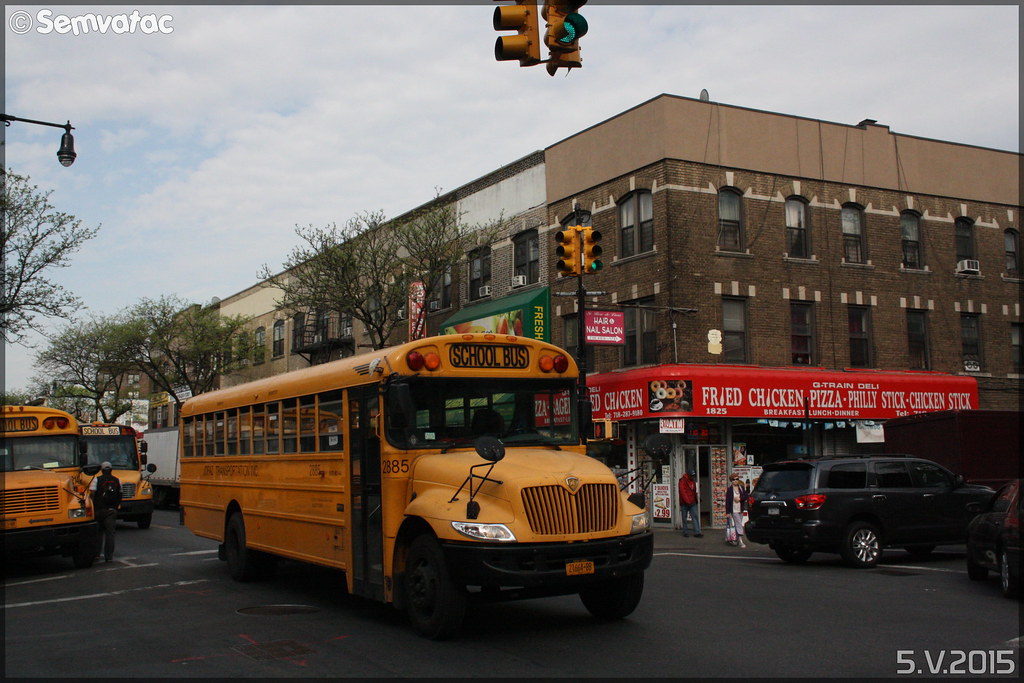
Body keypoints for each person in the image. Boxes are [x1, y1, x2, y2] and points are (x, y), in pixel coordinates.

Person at [90, 461, 122, 562]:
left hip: (99, 511)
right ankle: (109, 557)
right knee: (110, 534)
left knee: (98, 533)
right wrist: (115, 507)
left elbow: (92, 494)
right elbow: (120, 495)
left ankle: (96, 555)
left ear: (102, 470)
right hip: (111, 511)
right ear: (111, 470)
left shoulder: (96, 480)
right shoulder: (117, 480)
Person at [725, 472, 748, 548]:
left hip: (740, 509)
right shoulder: (730, 490)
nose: (735, 481)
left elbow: (746, 496)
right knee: (738, 524)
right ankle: (741, 540)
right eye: (734, 479)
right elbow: (727, 501)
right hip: (734, 509)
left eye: (737, 479)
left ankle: (736, 539)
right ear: (731, 481)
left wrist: (740, 498)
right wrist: (727, 512)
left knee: (738, 523)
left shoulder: (741, 488)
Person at [677, 469, 702, 537]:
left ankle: (697, 532)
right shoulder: (682, 481)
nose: (693, 477)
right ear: (688, 475)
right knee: (684, 518)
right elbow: (683, 492)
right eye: (692, 475)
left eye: (693, 475)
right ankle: (685, 531)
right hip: (685, 502)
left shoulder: (692, 481)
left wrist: (696, 499)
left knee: (694, 516)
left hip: (691, 501)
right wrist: (688, 501)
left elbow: (694, 491)